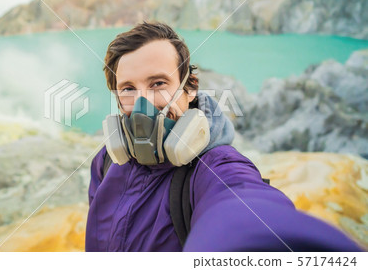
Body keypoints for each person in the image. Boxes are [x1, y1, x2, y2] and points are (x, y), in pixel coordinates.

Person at [85, 21, 364, 252]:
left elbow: (244, 209)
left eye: (158, 83)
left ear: (190, 87)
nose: (142, 102)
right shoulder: (107, 161)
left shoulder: (216, 168)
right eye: (128, 89)